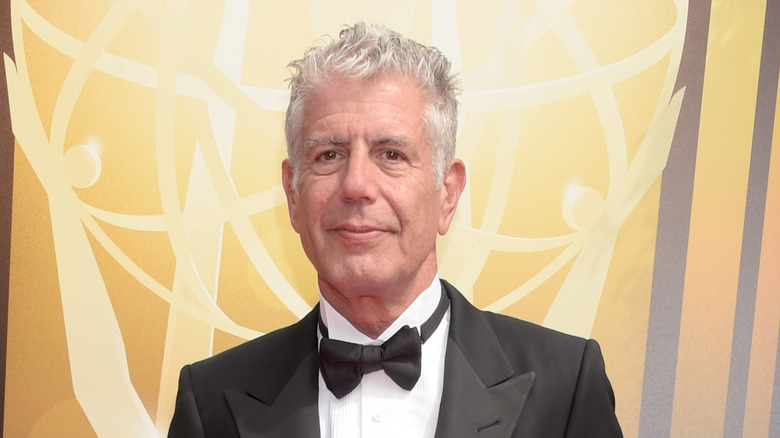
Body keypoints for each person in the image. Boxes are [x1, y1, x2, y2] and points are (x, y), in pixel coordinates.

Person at [168, 22, 623, 438]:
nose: (357, 186)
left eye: (391, 155)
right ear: (292, 193)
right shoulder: (210, 403)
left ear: (447, 192)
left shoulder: (565, 390)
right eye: (329, 155)